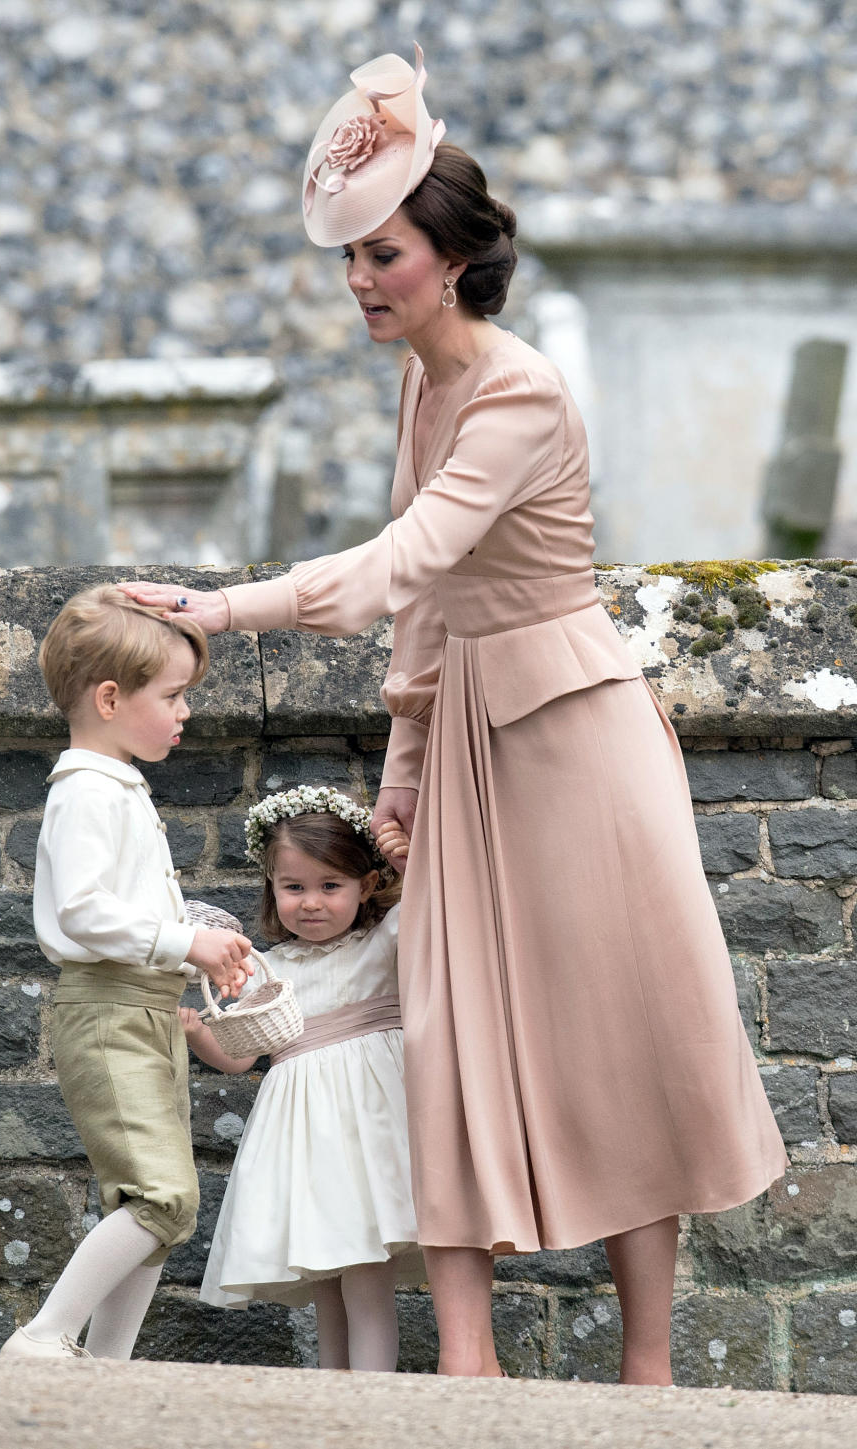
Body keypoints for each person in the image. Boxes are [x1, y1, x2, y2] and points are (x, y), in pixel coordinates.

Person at [119, 46, 787, 1383]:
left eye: (385, 256)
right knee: (451, 1032)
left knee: (620, 1030)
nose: (363, 280)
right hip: (473, 741)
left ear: (456, 260)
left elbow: (398, 565)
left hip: (577, 738)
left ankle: (649, 1374)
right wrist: (406, 773)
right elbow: (427, 622)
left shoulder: (521, 389)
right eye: (351, 258)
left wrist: (223, 606)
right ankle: (467, 1370)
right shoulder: (423, 383)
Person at [0, 584, 253, 1361]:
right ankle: (44, 1335)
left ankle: (108, 1362)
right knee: (162, 1197)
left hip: (140, 1009)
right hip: (110, 1012)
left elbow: (117, 903)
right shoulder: (85, 792)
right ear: (110, 697)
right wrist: (182, 941)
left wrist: (197, 933)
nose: (185, 713)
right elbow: (80, 912)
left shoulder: (114, 785)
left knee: (160, 1205)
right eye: (173, 696)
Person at [182, 787, 420, 1372]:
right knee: (327, 1289)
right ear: (273, 889)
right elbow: (243, 1056)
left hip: (370, 1135)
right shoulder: (271, 966)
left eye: (329, 886)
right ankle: (333, 1404)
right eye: (293, 888)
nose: (310, 903)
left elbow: (434, 902)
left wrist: (406, 862)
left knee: (366, 1280)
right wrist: (196, 1032)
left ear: (365, 886)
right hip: (308, 1148)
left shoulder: (382, 943)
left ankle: (372, 1409)